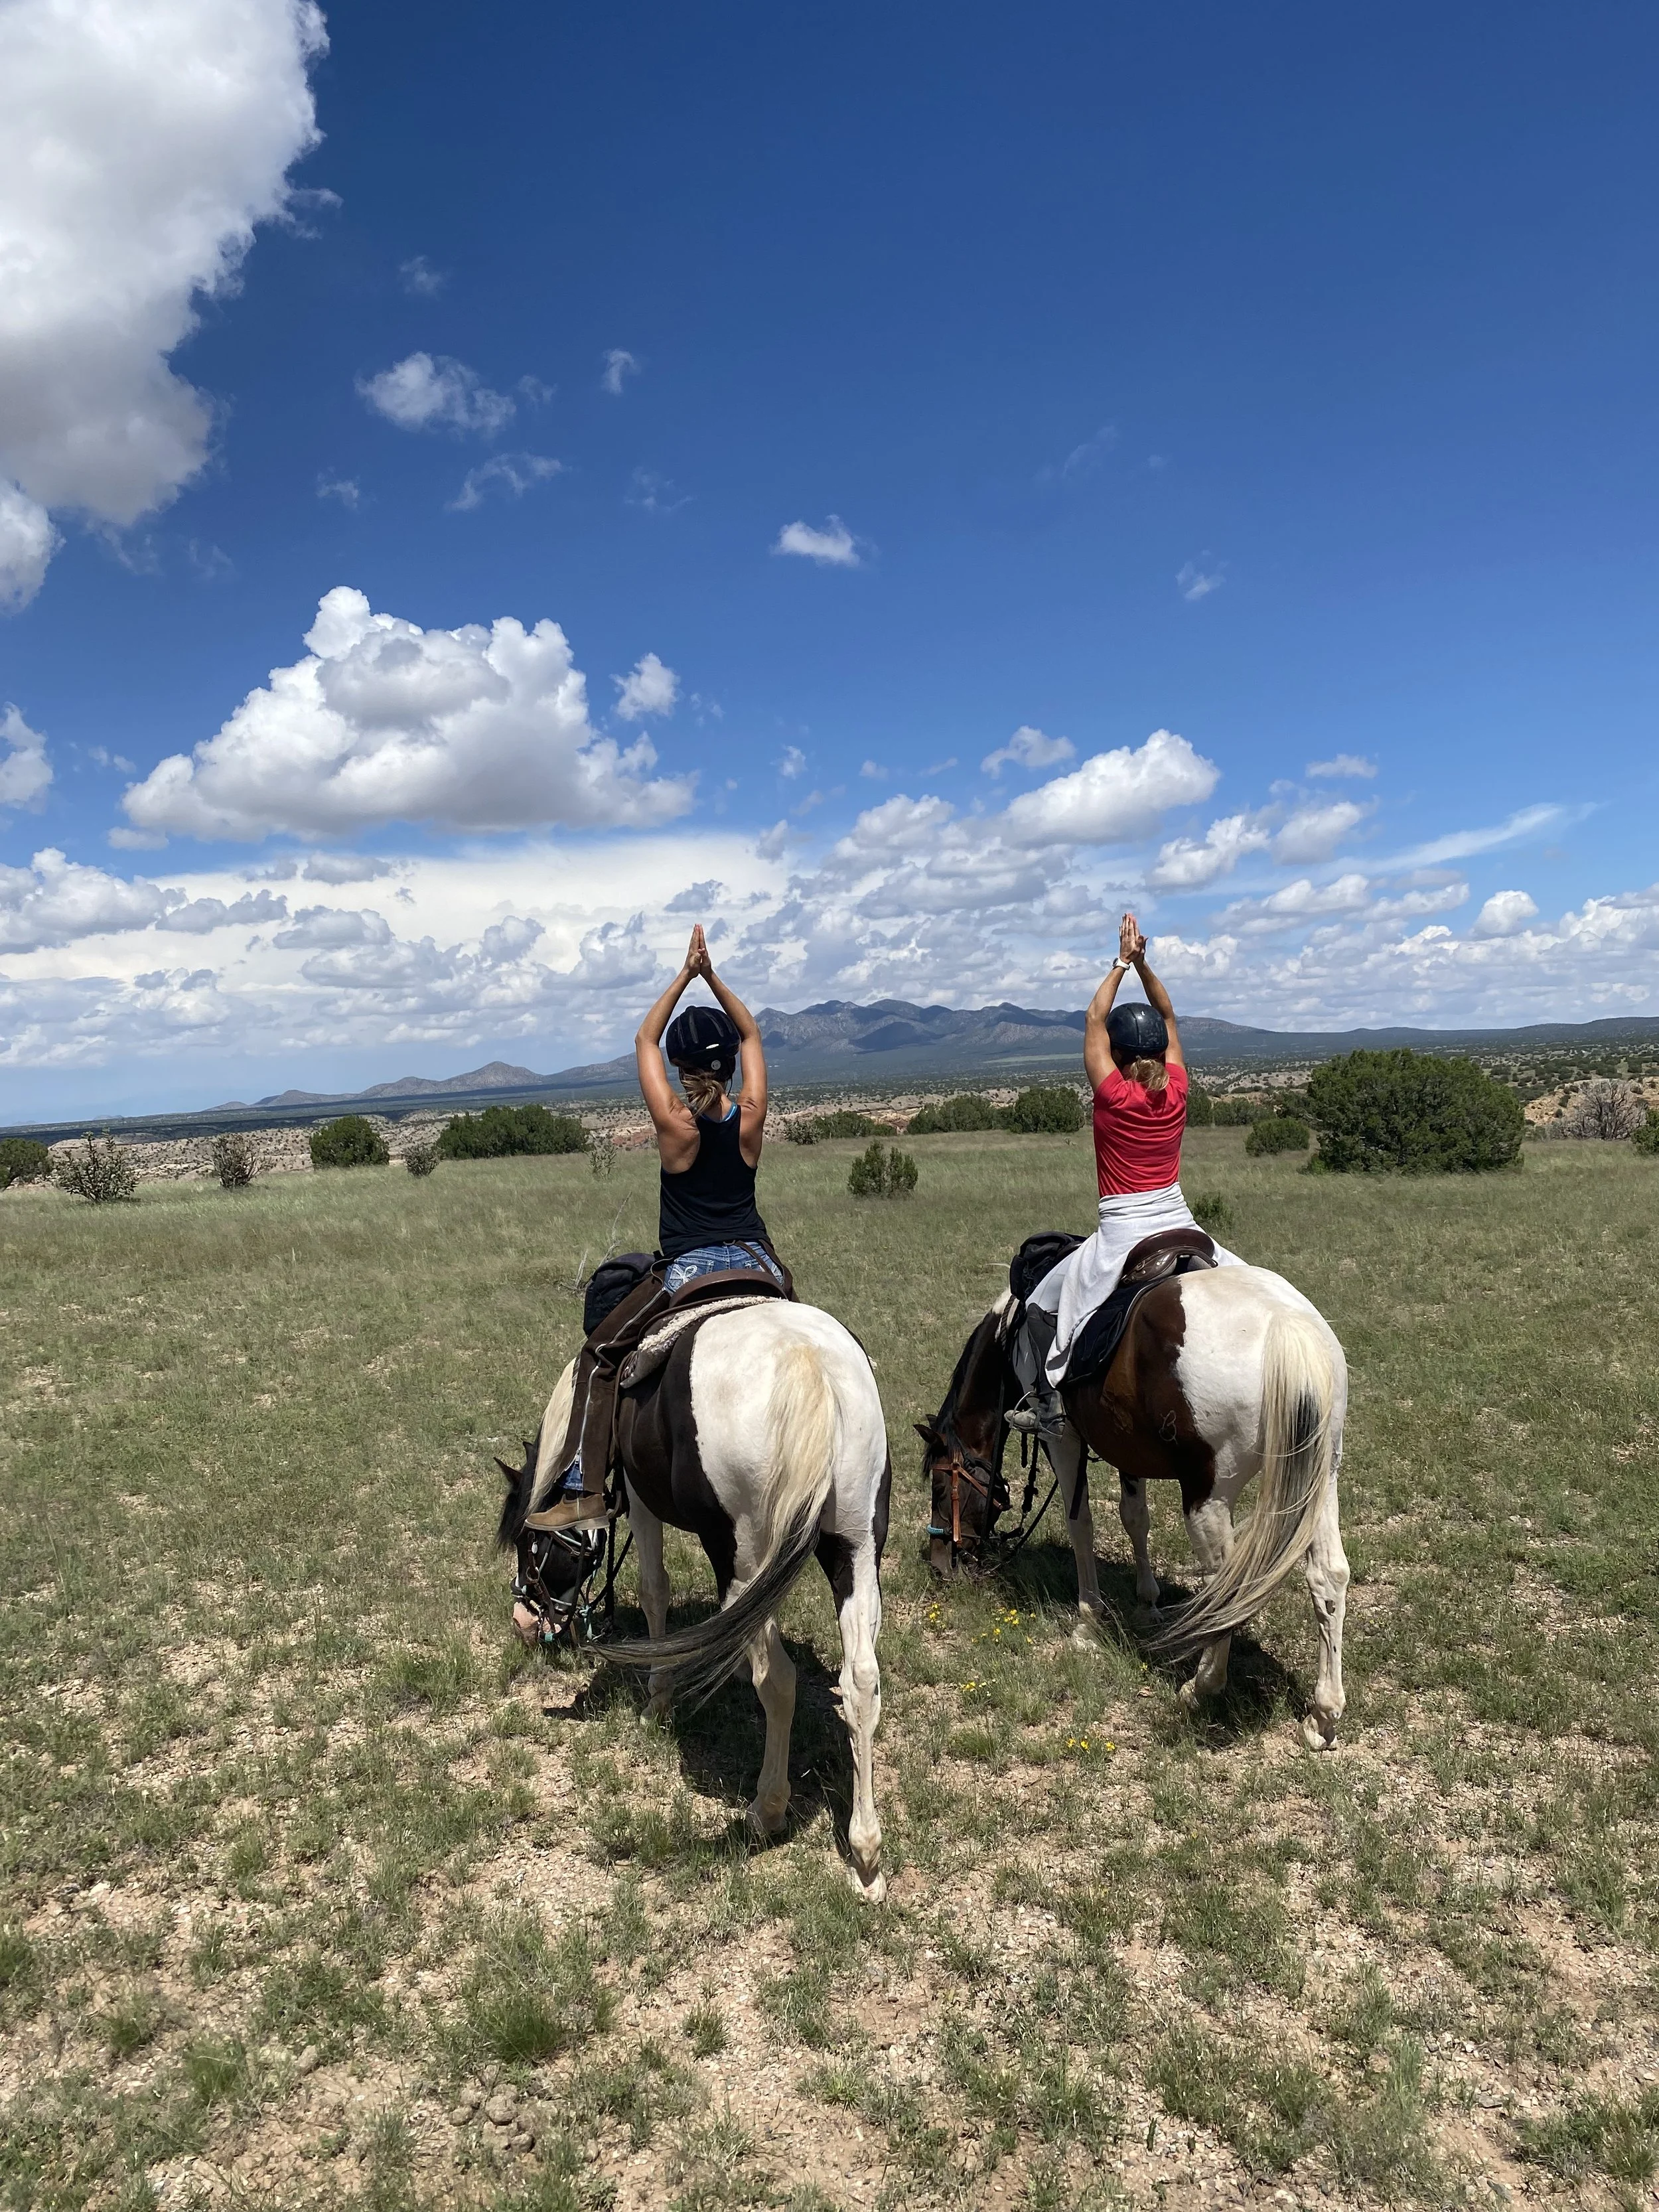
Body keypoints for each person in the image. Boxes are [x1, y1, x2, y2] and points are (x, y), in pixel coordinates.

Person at [548, 926, 783, 1516]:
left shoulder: (677, 1124)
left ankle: (582, 1487)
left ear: (680, 1070)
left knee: (598, 1359)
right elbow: (752, 1031)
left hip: (687, 1271)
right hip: (759, 1261)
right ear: (729, 1064)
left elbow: (644, 1038)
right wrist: (714, 976)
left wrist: (685, 974)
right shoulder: (750, 1117)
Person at [1009, 911, 1239, 1432]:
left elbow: (1093, 1019)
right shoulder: (1178, 1089)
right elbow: (1170, 1016)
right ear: (1161, 1050)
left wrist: (1120, 963)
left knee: (1045, 1303)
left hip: (1123, 1230)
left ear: (1116, 1055)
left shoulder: (1112, 1095)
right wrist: (1145, 966)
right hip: (1182, 1222)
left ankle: (1047, 1404)